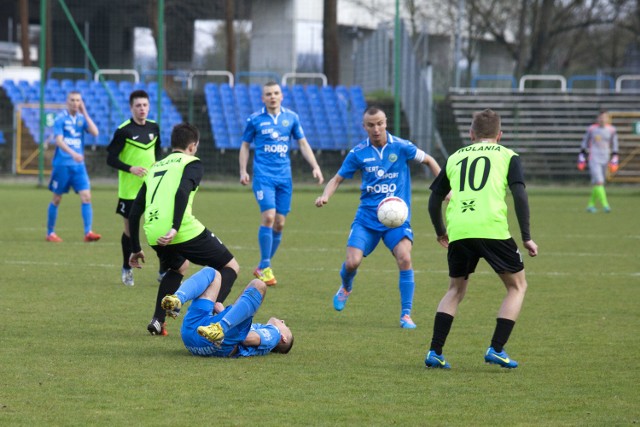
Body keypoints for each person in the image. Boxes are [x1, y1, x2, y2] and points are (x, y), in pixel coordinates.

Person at [424, 109, 538, 369]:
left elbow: (434, 199)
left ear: (471, 134)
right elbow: (520, 195)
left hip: (460, 230)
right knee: (517, 287)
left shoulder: (454, 157)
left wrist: (440, 230)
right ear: (500, 135)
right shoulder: (508, 155)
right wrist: (527, 237)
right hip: (492, 229)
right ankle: (496, 348)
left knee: (455, 290)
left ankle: (434, 351)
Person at [315, 106, 442, 329]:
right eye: (371, 125)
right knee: (352, 262)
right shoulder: (358, 153)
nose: (376, 129)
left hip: (397, 219)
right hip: (367, 218)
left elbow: (430, 161)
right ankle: (346, 286)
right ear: (364, 127)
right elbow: (337, 179)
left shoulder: (402, 146)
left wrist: (445, 189)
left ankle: (406, 315)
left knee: (404, 257)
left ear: (386, 123)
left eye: (380, 123)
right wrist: (325, 195)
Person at [128, 123, 239, 336]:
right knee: (231, 267)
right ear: (193, 145)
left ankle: (157, 321)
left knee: (178, 268)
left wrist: (135, 248)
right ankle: (208, 319)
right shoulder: (192, 163)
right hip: (179, 229)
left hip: (153, 231)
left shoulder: (155, 167)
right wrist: (174, 228)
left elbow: (134, 212)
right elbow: (182, 192)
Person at [239, 81, 324, 286]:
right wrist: (243, 170)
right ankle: (266, 267)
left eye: (276, 93)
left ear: (282, 96)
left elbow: (302, 143)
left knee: (280, 223)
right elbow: (245, 146)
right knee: (268, 217)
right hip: (263, 177)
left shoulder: (291, 118)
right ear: (263, 98)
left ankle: (262, 265)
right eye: (268, 94)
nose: (272, 96)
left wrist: (315, 166)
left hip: (284, 178)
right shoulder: (255, 119)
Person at [160, 266, 294, 357]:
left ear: (284, 338)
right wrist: (223, 313)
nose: (282, 321)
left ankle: (220, 327)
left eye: (285, 326)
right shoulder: (261, 329)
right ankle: (177, 299)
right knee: (213, 274)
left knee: (259, 285)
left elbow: (248, 339)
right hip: (195, 336)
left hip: (212, 341)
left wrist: (224, 328)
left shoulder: (274, 335)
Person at [106, 90, 162, 287]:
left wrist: (158, 166)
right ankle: (127, 268)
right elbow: (110, 158)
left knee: (158, 228)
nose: (142, 109)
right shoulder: (124, 131)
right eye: (138, 106)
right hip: (129, 190)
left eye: (145, 105)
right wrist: (130, 168)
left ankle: (163, 270)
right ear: (131, 108)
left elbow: (158, 153)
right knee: (130, 231)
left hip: (152, 187)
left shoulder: (154, 128)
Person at [46, 90, 101, 243]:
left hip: (78, 166)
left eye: (78, 100)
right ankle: (50, 233)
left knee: (86, 197)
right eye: (72, 100)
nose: (75, 103)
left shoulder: (81, 119)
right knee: (57, 198)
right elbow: (58, 140)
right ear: (67, 102)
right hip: (62, 164)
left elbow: (95, 132)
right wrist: (73, 154)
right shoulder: (60, 119)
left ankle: (88, 232)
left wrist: (85, 112)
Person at [579, 110, 619, 213]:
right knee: (599, 181)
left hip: (605, 158)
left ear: (608, 119)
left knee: (598, 184)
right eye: (601, 117)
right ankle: (606, 206)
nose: (602, 119)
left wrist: (614, 159)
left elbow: (614, 145)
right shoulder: (592, 129)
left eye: (605, 117)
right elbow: (584, 143)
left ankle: (590, 205)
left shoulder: (612, 130)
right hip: (594, 158)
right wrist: (582, 157)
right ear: (597, 119)